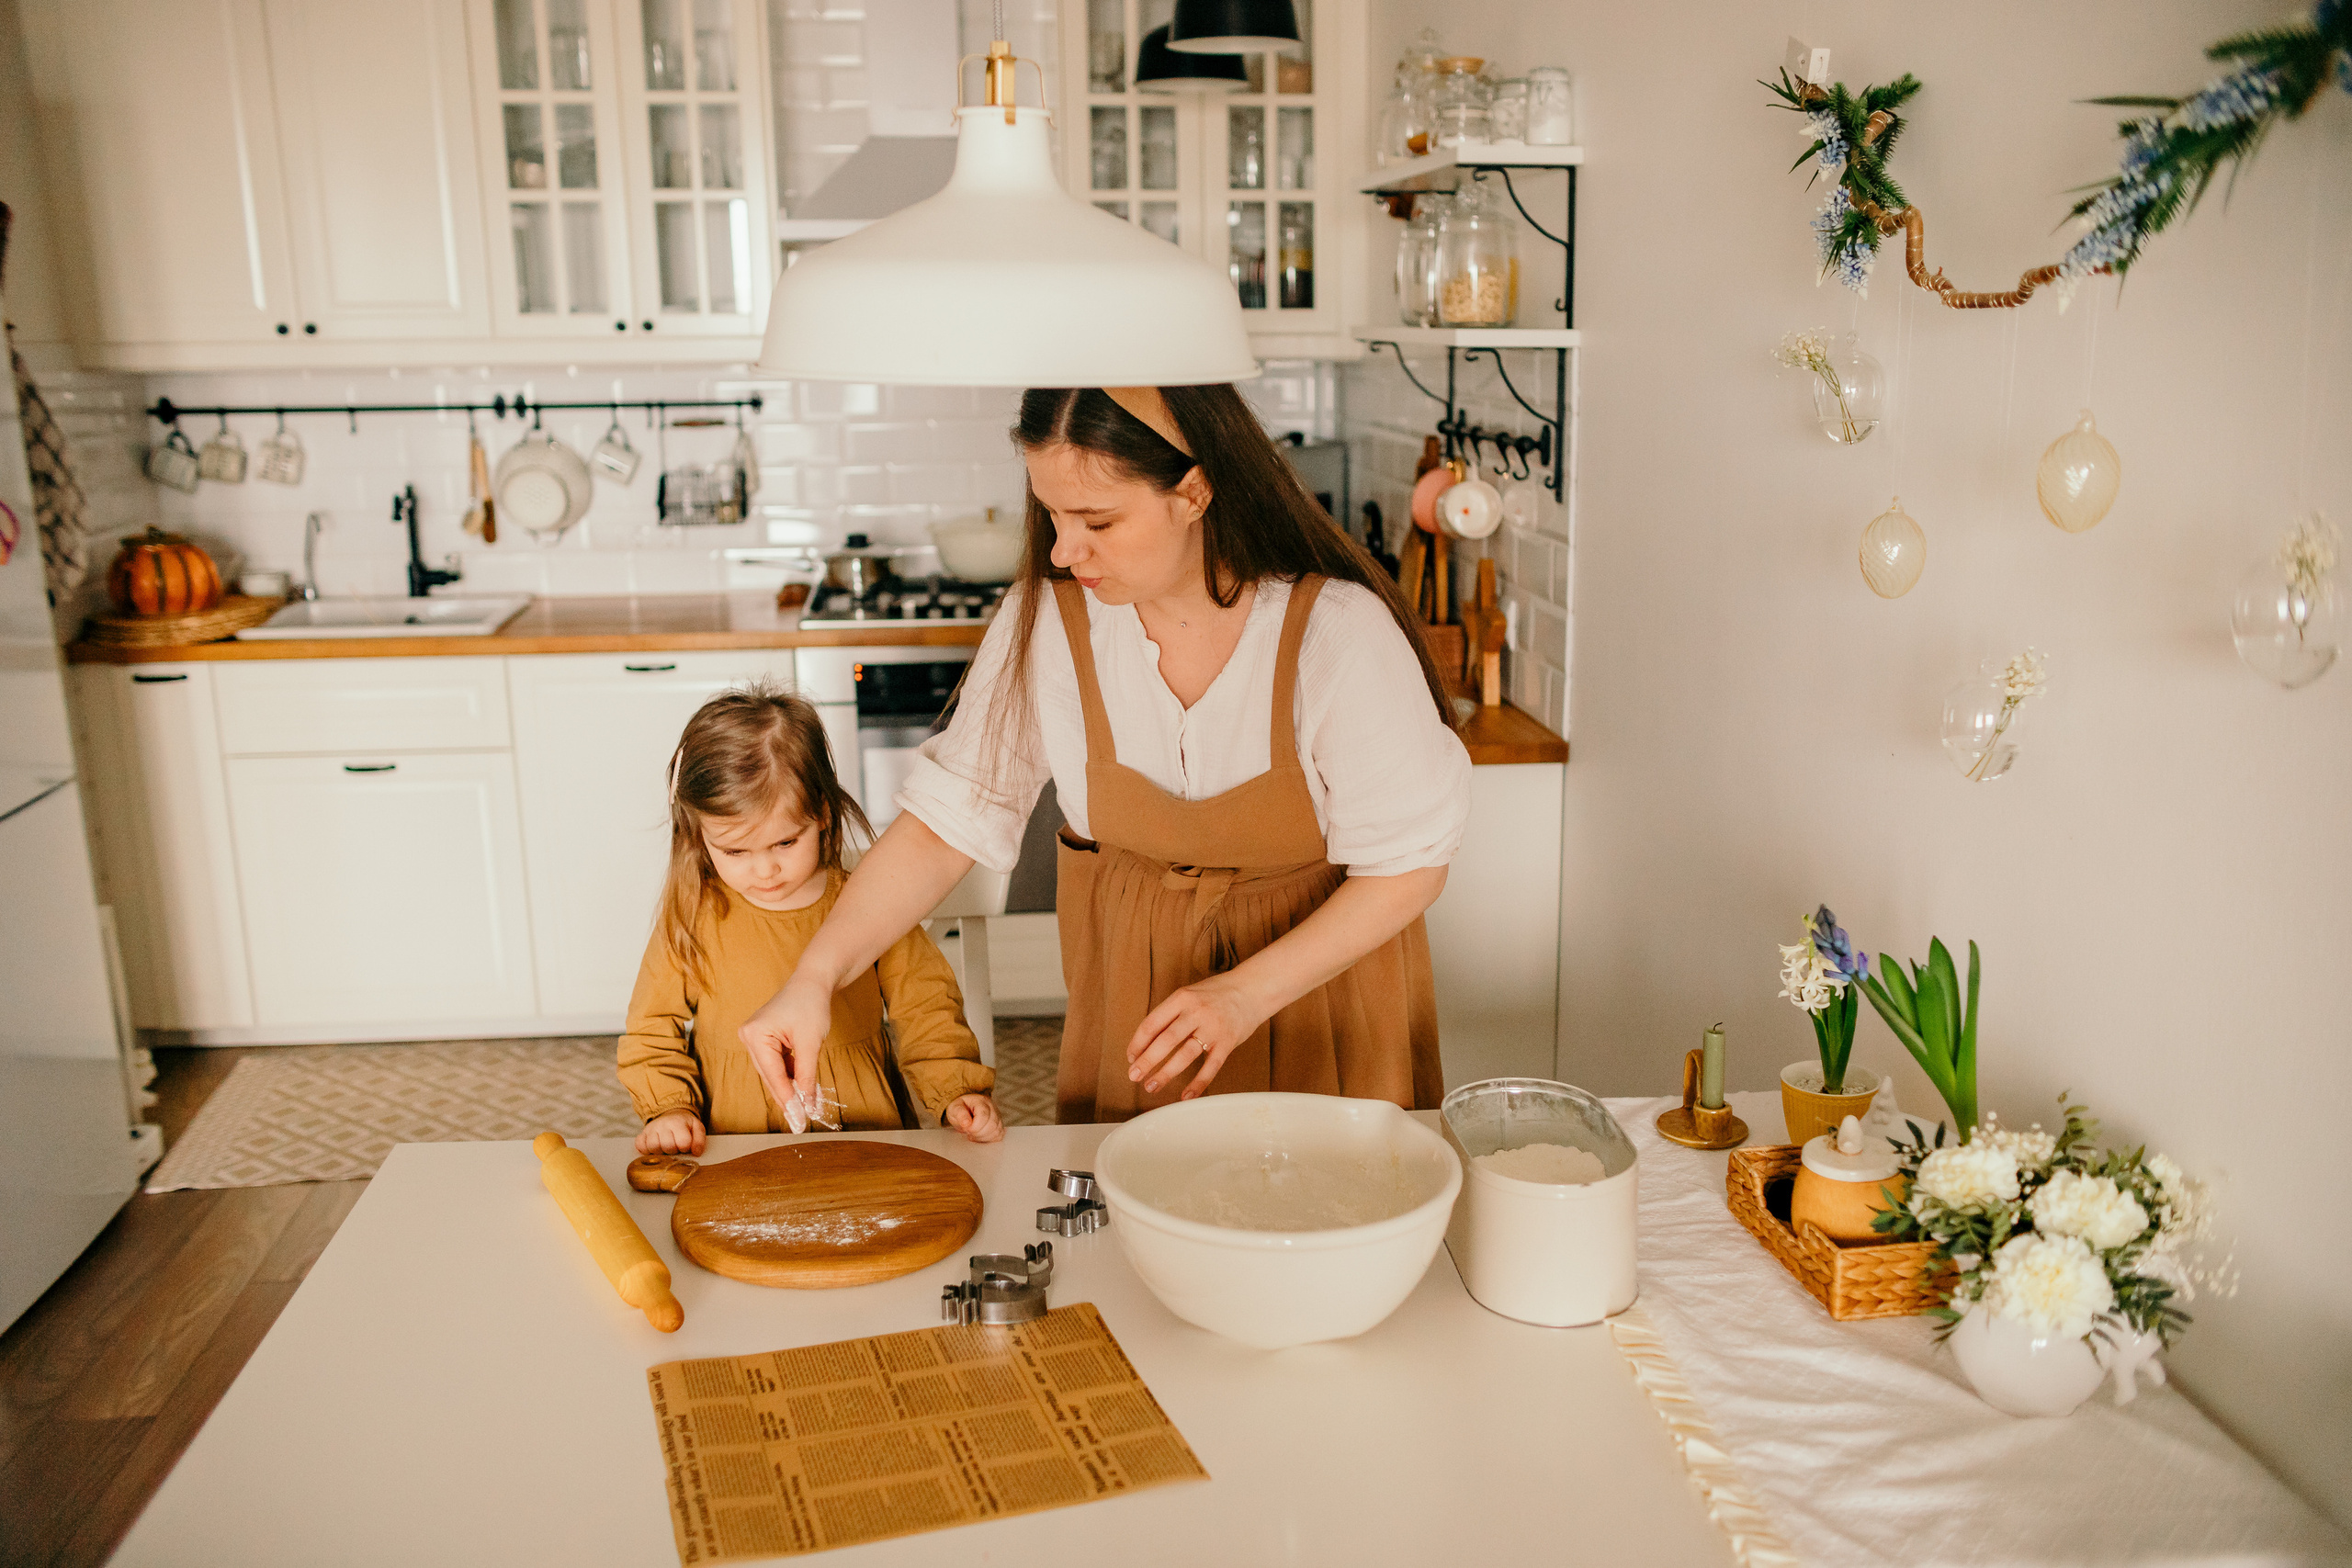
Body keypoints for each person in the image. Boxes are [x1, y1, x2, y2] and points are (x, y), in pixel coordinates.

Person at [741, 384, 1472, 1124]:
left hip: (1327, 1009)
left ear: (1194, 490)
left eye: (1098, 519)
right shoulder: (1052, 624)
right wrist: (817, 974)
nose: (1063, 549)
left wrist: (1245, 993)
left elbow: (1408, 868)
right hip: (1139, 1013)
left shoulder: (1337, 635)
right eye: (1052, 515)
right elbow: (945, 823)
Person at [616, 683, 1001, 1153]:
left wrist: (955, 1090)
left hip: (862, 1124)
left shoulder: (871, 904)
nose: (765, 870)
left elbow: (927, 1008)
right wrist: (670, 1107)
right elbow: (651, 1029)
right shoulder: (696, 915)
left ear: (821, 813)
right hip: (733, 1136)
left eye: (785, 843)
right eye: (735, 850)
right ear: (699, 837)